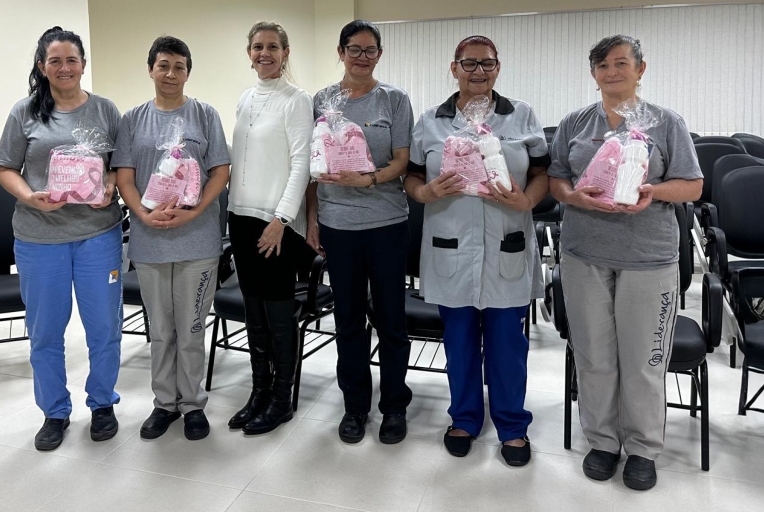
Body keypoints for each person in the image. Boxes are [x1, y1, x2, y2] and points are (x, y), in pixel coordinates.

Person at [548, 35, 702, 490]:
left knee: (643, 362)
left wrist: (654, 191)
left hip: (648, 259)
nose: (612, 72)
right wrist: (574, 196)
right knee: (593, 355)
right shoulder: (575, 122)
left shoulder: (666, 123)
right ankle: (602, 441)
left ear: (640, 69)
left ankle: (642, 448)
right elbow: (557, 179)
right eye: (603, 65)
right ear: (593, 73)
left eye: (621, 63)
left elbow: (692, 185)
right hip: (583, 255)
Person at [405, 35, 549, 466]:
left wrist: (527, 200)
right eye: (469, 63)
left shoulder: (520, 115)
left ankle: (512, 425)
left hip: (506, 243)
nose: (478, 71)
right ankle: (464, 418)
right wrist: (426, 193)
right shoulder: (431, 120)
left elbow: (542, 172)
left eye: (487, 63)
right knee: (460, 341)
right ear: (454, 68)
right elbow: (411, 178)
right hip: (450, 246)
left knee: (508, 344)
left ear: (498, 68)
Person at [0, 27, 123, 451]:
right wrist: (30, 196)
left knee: (104, 328)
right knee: (45, 332)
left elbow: (119, 167)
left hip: (97, 235)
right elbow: (5, 168)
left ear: (83, 64)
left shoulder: (105, 110)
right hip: (39, 238)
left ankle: (102, 404)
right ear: (42, 66)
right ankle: (54, 411)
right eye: (55, 61)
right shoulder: (24, 112)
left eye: (72, 60)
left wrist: (109, 186)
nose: (64, 68)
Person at [114, 36, 230, 441]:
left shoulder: (205, 115)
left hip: (197, 240)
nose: (170, 73)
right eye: (163, 65)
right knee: (161, 331)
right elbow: (124, 176)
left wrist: (195, 212)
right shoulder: (132, 119)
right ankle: (165, 403)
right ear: (150, 69)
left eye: (179, 66)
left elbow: (220, 171)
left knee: (192, 328)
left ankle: (193, 404)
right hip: (150, 241)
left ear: (188, 72)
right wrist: (144, 213)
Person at [305, 20, 414, 444]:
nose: (362, 57)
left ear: (379, 55)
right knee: (348, 320)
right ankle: (355, 406)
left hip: (387, 223)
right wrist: (313, 221)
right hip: (339, 226)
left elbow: (402, 160)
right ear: (341, 51)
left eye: (370, 50)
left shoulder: (394, 100)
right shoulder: (321, 101)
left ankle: (394, 407)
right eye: (354, 49)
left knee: (391, 320)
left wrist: (368, 179)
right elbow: (312, 167)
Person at [227, 21, 313, 435]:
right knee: (254, 314)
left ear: (285, 52)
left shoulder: (296, 100)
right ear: (249, 53)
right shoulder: (245, 98)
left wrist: (282, 219)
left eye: (273, 47)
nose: (265, 53)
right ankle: (259, 391)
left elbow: (302, 164)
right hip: (240, 217)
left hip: (276, 222)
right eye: (258, 46)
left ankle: (281, 400)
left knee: (278, 315)